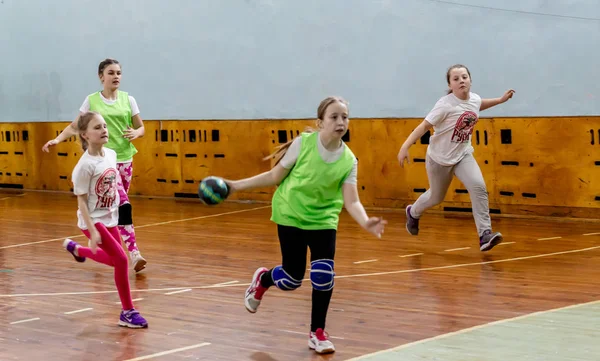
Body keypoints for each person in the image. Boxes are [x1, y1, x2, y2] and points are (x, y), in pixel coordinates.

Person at [222, 96, 387, 354]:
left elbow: (351, 200)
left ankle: (317, 332)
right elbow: (274, 176)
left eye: (345, 117)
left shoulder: (349, 160)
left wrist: (366, 221)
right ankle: (264, 279)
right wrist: (235, 186)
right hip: (291, 214)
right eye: (334, 117)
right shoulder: (303, 144)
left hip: (323, 220)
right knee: (291, 278)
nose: (340, 121)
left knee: (323, 276)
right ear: (320, 122)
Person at [43, 58, 147, 272]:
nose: (116, 76)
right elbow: (75, 126)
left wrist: (136, 133)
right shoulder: (91, 101)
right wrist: (57, 139)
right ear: (101, 76)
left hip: (124, 160)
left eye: (119, 72)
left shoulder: (129, 100)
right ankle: (134, 254)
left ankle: (89, 250)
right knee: (124, 204)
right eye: (111, 72)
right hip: (102, 163)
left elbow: (141, 127)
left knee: (115, 208)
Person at [397, 64, 515, 252]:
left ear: (470, 79)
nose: (461, 81)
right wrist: (405, 146)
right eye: (456, 78)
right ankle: (413, 212)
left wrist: (500, 100)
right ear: (450, 84)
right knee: (436, 197)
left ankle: (485, 234)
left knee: (479, 188)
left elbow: (479, 104)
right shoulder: (445, 105)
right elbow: (423, 127)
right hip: (439, 159)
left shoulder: (474, 99)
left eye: (464, 77)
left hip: (463, 155)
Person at [62, 111, 148, 328]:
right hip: (93, 221)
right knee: (121, 260)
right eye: (97, 127)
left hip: (110, 217)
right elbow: (81, 203)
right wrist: (93, 232)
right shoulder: (84, 166)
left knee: (114, 261)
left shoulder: (110, 154)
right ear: (84, 135)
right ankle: (127, 312)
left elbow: (113, 185)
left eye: (104, 126)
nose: (104, 130)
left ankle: (77, 251)